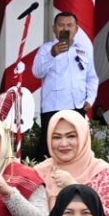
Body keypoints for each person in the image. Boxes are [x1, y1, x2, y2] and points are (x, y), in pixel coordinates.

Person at [33, 109, 109, 216]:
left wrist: (75, 188)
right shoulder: (39, 172)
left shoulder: (102, 172)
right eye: (56, 137)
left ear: (83, 136)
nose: (63, 143)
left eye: (71, 136)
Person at [31, 12, 96, 158]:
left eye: (69, 25)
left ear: (76, 29)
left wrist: (90, 99)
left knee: (77, 146)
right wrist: (52, 55)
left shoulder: (83, 50)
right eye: (61, 25)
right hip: (53, 107)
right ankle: (43, 172)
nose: (65, 29)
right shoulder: (46, 49)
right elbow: (37, 72)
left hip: (77, 106)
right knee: (49, 147)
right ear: (54, 29)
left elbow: (91, 77)